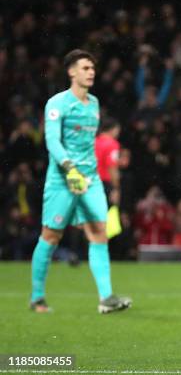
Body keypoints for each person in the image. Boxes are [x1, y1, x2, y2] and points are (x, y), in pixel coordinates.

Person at [30, 49, 131, 314]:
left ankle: (106, 298)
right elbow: (52, 140)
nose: (91, 72)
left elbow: (88, 144)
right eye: (85, 68)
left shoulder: (94, 103)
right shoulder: (57, 103)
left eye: (93, 68)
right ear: (71, 72)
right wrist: (69, 169)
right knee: (51, 235)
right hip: (63, 179)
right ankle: (37, 297)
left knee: (99, 232)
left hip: (91, 180)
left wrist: (87, 173)